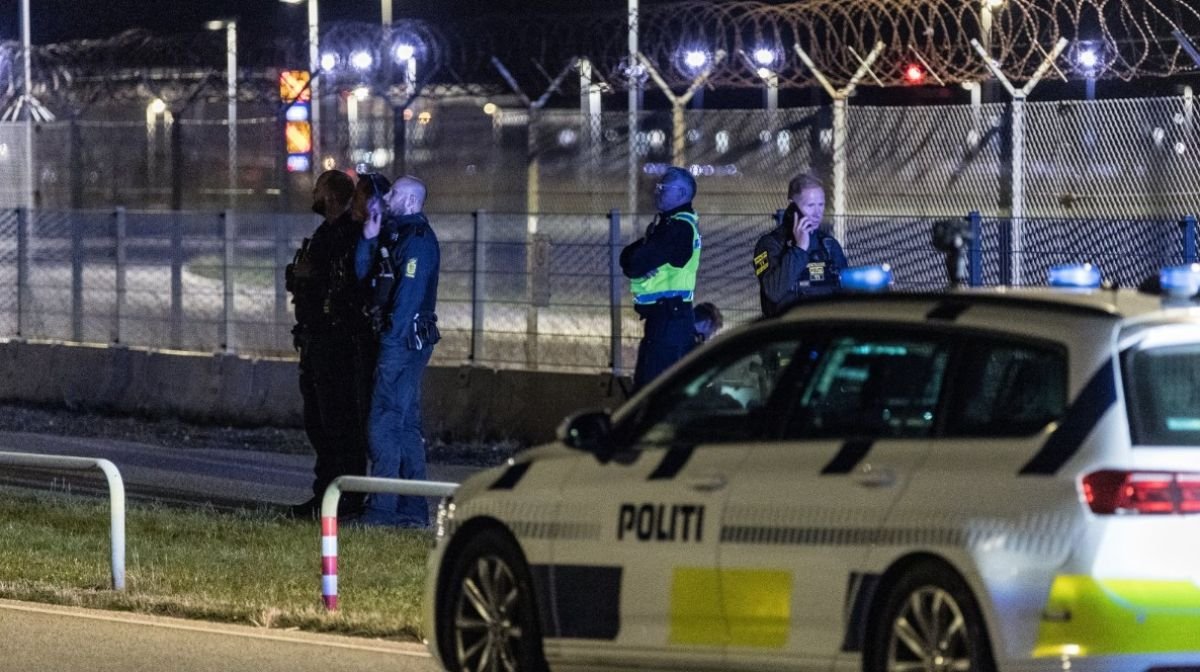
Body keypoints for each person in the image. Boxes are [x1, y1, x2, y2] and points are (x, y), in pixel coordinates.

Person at [354, 176, 441, 527]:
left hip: (402, 343)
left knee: (383, 423)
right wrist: (369, 238)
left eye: (394, 194)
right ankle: (411, 511)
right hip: (398, 341)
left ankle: (382, 509)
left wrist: (390, 343)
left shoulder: (417, 241)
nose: (387, 197)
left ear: (411, 201)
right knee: (404, 426)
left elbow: (408, 300)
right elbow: (365, 276)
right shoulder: (395, 234)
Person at [286, 170, 372, 519]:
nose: (314, 195)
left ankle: (346, 497)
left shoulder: (349, 235)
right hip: (315, 340)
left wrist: (313, 277)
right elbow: (304, 278)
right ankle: (325, 494)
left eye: (319, 189)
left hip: (337, 343)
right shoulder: (325, 233)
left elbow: (346, 285)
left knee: (340, 424)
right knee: (319, 424)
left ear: (332, 196)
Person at [620, 166, 702, 391]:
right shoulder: (671, 225)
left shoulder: (677, 228)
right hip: (669, 318)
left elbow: (635, 261)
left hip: (668, 322)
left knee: (651, 390)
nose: (657, 191)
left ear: (681, 193)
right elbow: (629, 256)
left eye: (663, 187)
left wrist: (636, 261)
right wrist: (635, 260)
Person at [753, 173, 849, 317]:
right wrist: (799, 249)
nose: (817, 213)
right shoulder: (769, 244)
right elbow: (773, 292)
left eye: (821, 205)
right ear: (793, 206)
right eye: (810, 205)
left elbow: (846, 292)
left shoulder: (828, 245)